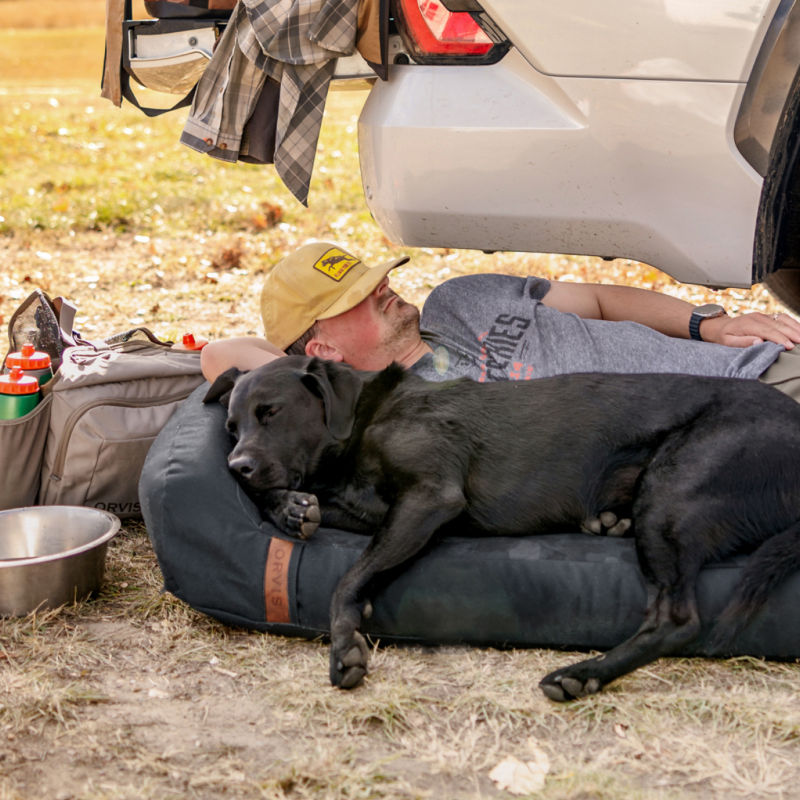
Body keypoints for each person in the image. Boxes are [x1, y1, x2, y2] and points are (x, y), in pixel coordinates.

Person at [200, 241, 800, 399]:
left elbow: (598, 300)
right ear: (322, 348)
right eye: (358, 295)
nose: (383, 288)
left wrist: (710, 325)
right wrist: (305, 371)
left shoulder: (462, 300)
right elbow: (221, 354)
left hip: (756, 365)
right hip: (730, 431)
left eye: (374, 277)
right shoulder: (384, 409)